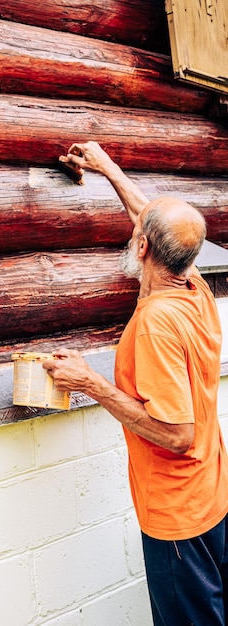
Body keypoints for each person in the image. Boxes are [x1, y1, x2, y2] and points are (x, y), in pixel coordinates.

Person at [43, 141, 228, 625]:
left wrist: (92, 384)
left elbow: (176, 433)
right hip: (212, 495)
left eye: (136, 235)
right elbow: (154, 219)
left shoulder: (155, 324)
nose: (133, 235)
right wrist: (108, 169)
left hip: (178, 518)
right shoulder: (196, 288)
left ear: (142, 247)